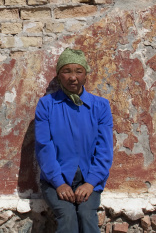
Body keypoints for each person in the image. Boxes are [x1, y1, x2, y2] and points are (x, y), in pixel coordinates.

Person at [34, 48, 113, 233]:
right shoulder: (46, 105)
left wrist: (90, 182)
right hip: (56, 181)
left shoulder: (100, 106)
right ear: (59, 75)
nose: (73, 77)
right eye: (66, 71)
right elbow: (44, 147)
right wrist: (58, 183)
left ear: (86, 75)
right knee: (67, 217)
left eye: (78, 71)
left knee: (87, 216)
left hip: (89, 180)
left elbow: (105, 150)